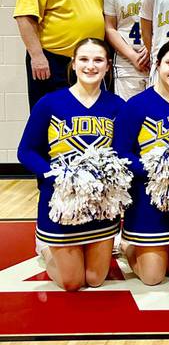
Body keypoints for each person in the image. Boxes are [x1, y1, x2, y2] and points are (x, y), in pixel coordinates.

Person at [17, 38, 124, 291]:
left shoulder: (117, 105)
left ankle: (84, 247)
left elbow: (122, 153)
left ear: (108, 66)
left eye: (98, 60)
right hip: (61, 200)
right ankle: (46, 249)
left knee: (96, 279)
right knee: (72, 282)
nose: (91, 66)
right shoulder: (49, 103)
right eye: (84, 59)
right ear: (73, 64)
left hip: (100, 203)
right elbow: (26, 151)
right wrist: (55, 175)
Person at [112, 40, 169, 286]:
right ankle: (127, 246)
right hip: (149, 197)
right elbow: (120, 153)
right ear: (157, 64)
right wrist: (160, 171)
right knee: (153, 278)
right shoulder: (136, 105)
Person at [104, 0, 161, 100]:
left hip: (156, 58)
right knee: (128, 113)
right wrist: (132, 56)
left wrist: (151, 47)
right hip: (126, 61)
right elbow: (110, 27)